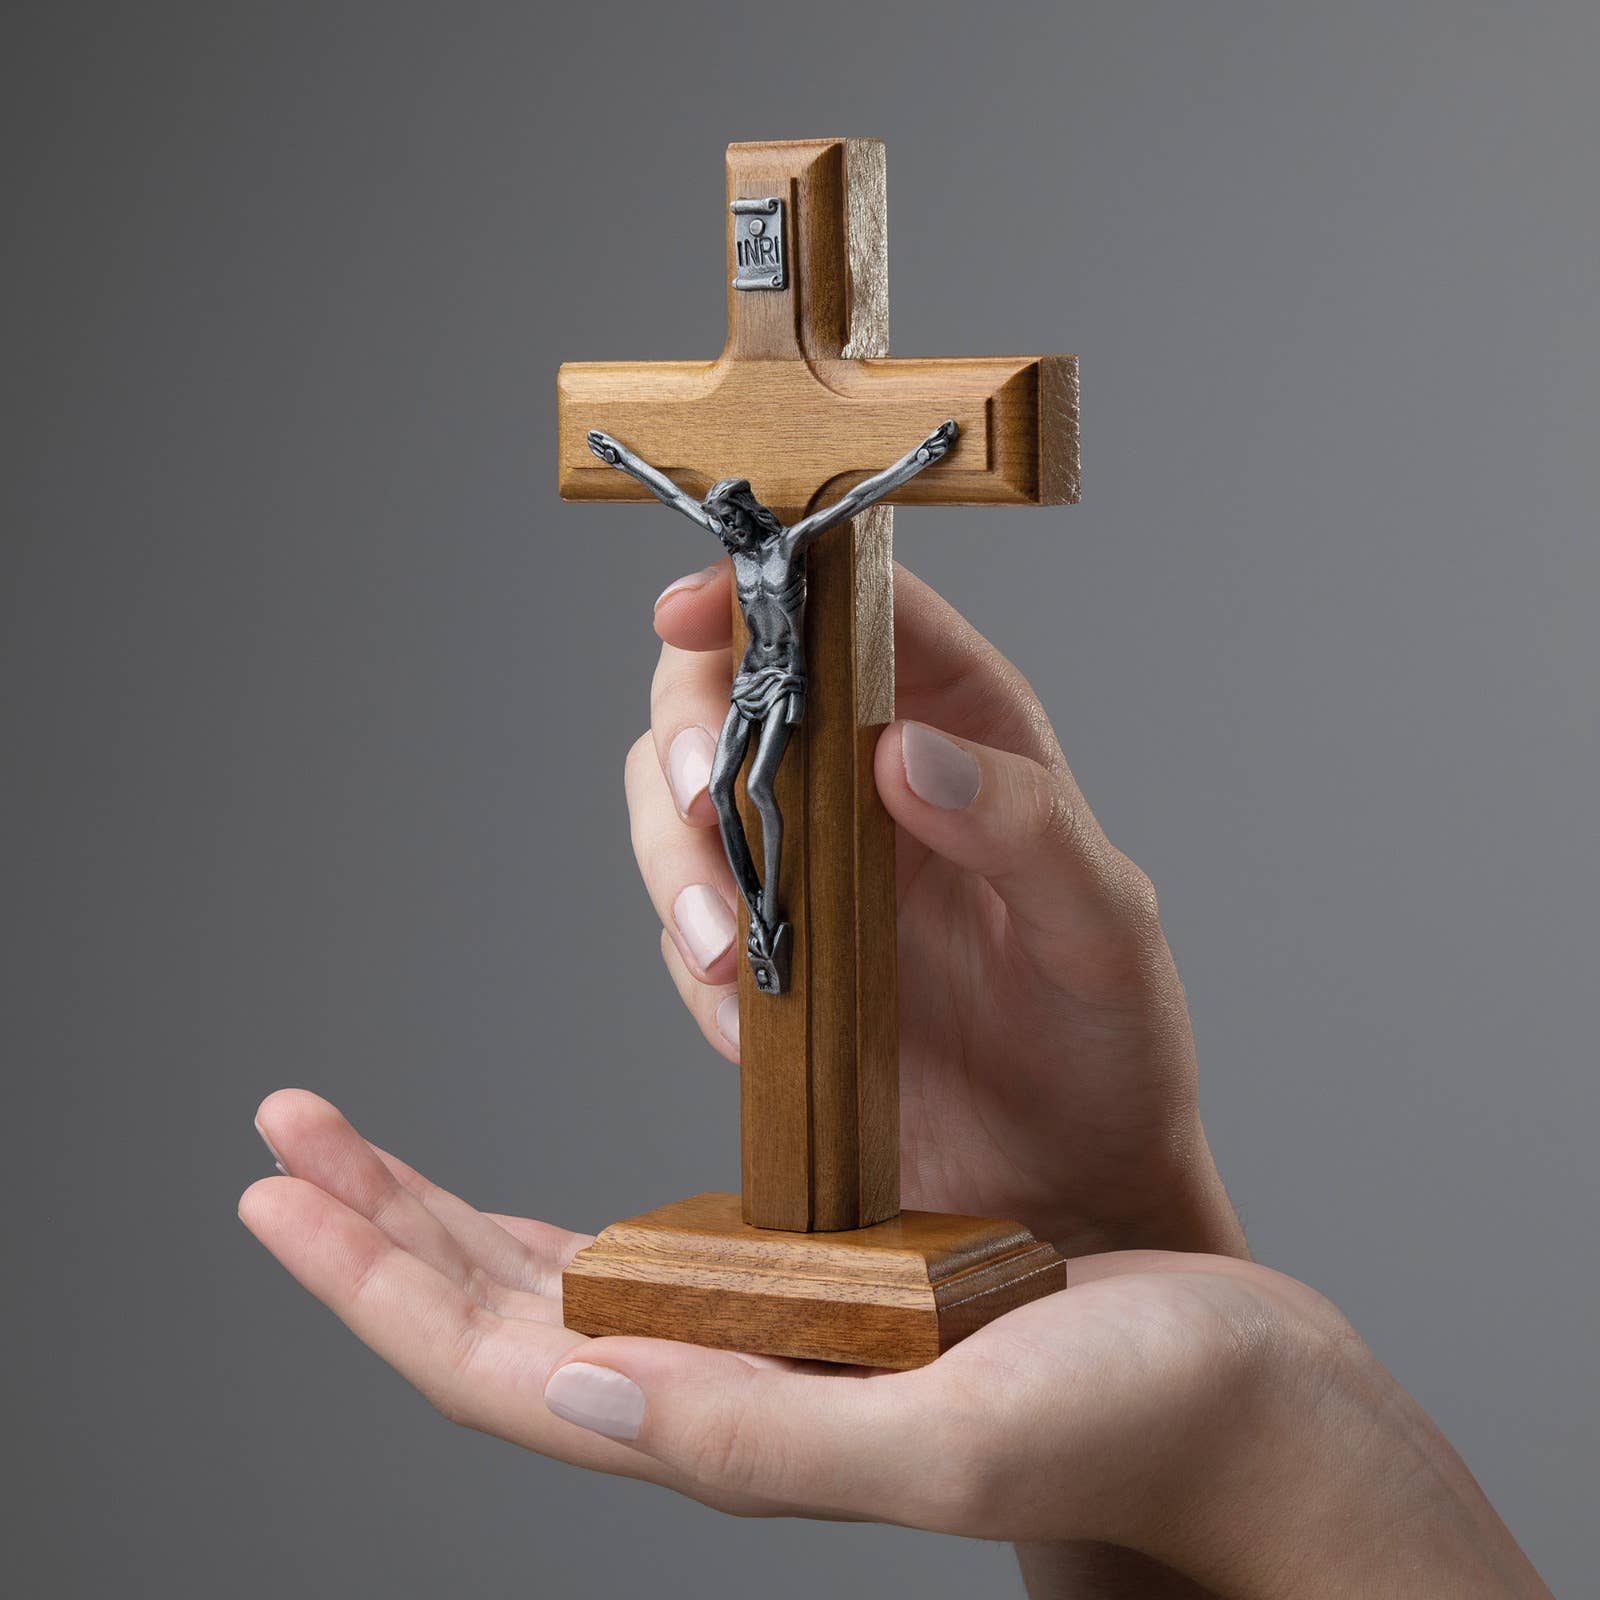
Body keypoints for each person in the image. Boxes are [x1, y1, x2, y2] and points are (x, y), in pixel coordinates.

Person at [239, 563, 1552, 1598]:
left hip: (803, 695)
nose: (761, 525)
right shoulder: (751, 535)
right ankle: (763, 921)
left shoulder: (811, 522)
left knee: (772, 825)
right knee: (756, 832)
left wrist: (1280, 1439)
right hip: (768, 713)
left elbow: (849, 484)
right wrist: (1097, 1223)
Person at [584, 420, 957, 991]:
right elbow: (670, 495)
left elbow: (858, 496)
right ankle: (754, 901)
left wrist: (922, 457)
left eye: (732, 521)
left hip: (786, 677)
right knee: (715, 789)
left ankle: (770, 902)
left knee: (760, 787)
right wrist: (621, 460)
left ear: (750, 513)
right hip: (747, 677)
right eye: (721, 525)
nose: (725, 531)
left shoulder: (786, 545)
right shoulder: (735, 550)